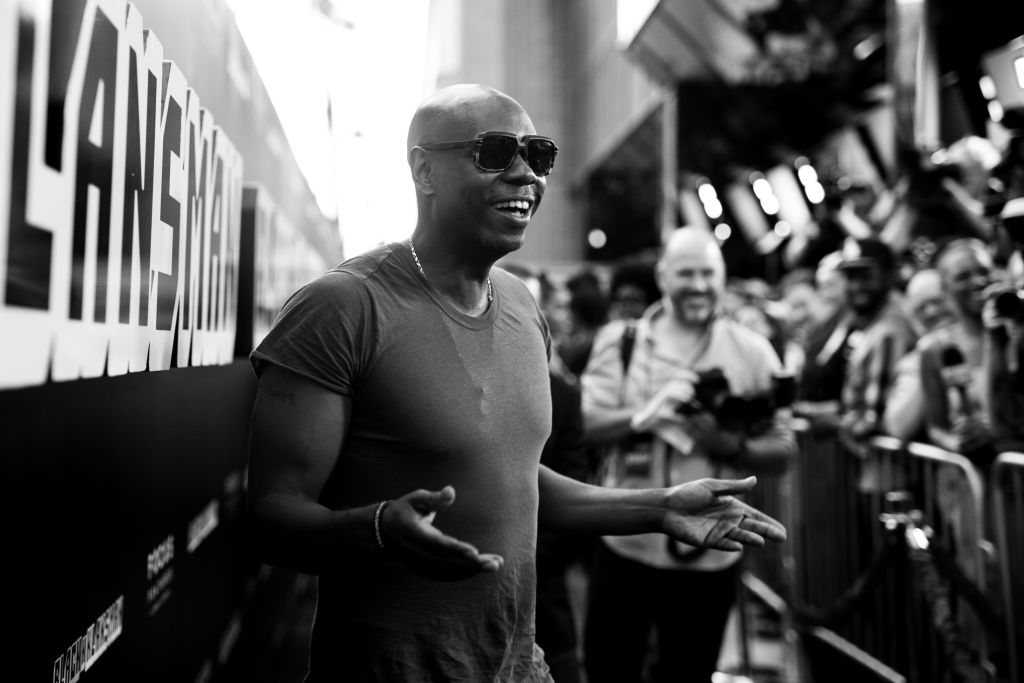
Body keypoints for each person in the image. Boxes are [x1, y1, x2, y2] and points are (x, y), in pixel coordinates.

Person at [246, 84, 786, 682]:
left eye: (540, 153)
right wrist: (375, 528)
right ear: (424, 169)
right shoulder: (342, 307)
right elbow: (272, 514)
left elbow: (519, 482)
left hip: (519, 665)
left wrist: (658, 508)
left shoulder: (523, 305)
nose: (526, 174)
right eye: (497, 152)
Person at [579, 227, 796, 683]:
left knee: (689, 670)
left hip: (710, 550)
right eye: (685, 274)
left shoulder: (752, 352)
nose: (697, 285)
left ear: (722, 276)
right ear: (662, 276)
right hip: (626, 541)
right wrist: (646, 416)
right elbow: (585, 424)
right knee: (607, 668)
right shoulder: (623, 342)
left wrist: (728, 444)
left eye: (707, 273)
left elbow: (782, 449)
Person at [918, 239, 997, 463]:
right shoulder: (934, 348)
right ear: (944, 288)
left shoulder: (1015, 335)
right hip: (969, 479)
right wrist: (959, 445)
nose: (979, 281)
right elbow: (936, 426)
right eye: (963, 277)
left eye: (984, 271)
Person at [882, 268, 953, 441]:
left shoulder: (989, 339)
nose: (931, 312)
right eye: (921, 308)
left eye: (937, 301)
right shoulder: (914, 361)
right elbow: (898, 427)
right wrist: (926, 359)